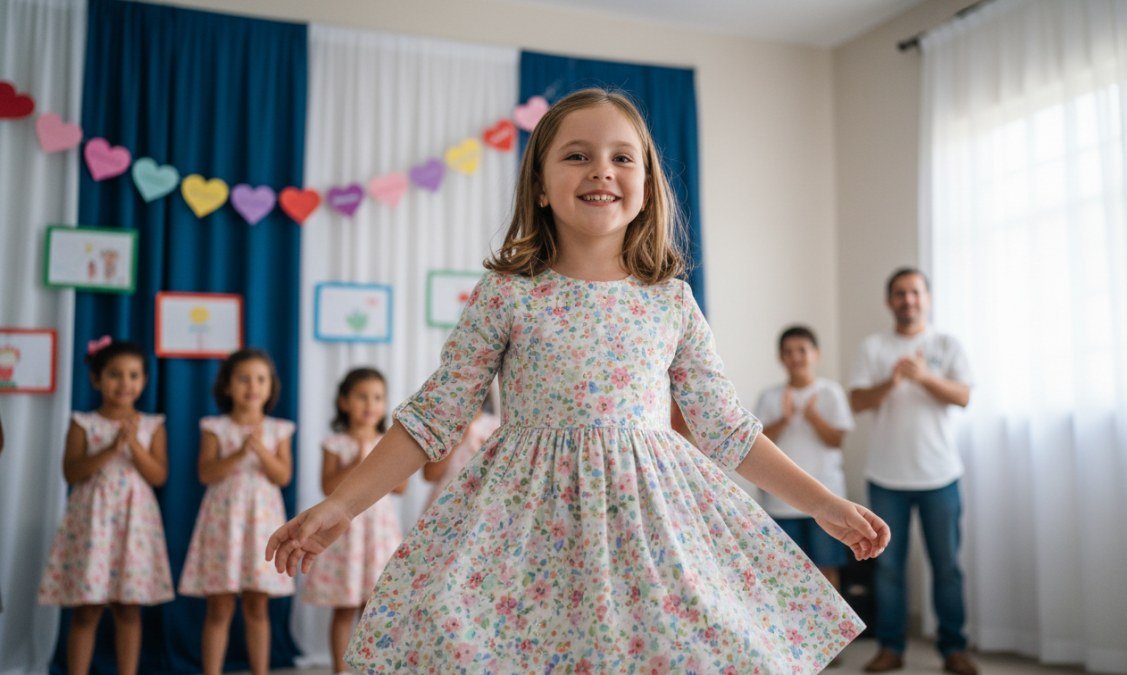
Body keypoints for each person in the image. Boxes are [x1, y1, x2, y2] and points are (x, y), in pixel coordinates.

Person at [267, 88, 890, 673]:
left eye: (623, 157)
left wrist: (825, 506)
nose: (601, 170)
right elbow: (435, 416)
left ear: (645, 186)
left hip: (652, 531)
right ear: (540, 185)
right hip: (526, 529)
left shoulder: (671, 303)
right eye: (577, 156)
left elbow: (727, 429)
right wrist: (342, 504)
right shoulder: (508, 295)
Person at [848, 268, 976, 675]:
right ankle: (891, 648)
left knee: (947, 567)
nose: (908, 300)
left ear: (928, 298)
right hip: (887, 478)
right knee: (887, 567)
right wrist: (893, 381)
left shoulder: (946, 344)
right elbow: (857, 402)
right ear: (890, 301)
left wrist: (924, 377)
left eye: (915, 293)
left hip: (941, 476)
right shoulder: (873, 347)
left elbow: (963, 396)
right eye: (900, 294)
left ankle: (954, 649)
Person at [38, 338, 173, 675]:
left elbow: (158, 475)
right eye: (115, 375)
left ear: (143, 380)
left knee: (128, 609)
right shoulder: (83, 423)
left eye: (133, 375)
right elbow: (71, 472)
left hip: (134, 523)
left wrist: (134, 449)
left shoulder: (152, 425)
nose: (125, 383)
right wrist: (112, 448)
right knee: (87, 609)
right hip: (92, 524)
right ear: (97, 379)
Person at [179, 348, 295, 675]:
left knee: (258, 606)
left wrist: (260, 451)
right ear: (228, 386)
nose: (252, 386)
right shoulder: (215, 427)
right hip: (223, 521)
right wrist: (240, 452)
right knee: (220, 605)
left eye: (260, 379)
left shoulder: (278, 430)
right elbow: (206, 473)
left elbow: (283, 475)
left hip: (262, 522)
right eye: (243, 379)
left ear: (271, 387)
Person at [301, 367, 406, 675]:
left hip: (378, 533)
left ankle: (373, 667)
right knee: (344, 606)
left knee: (375, 607)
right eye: (362, 396)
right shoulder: (335, 444)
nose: (370, 404)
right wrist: (358, 464)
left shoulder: (388, 443)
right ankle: (339, 669)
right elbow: (327, 486)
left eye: (377, 397)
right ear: (344, 402)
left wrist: (376, 464)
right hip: (346, 535)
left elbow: (400, 486)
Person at [755, 326, 854, 590]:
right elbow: (756, 445)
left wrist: (814, 418)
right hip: (780, 503)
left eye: (802, 350)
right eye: (788, 352)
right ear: (781, 358)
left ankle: (838, 631)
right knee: (786, 576)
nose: (796, 357)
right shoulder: (770, 397)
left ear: (816, 354)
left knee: (827, 570)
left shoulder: (831, 392)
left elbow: (836, 440)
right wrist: (784, 420)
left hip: (826, 497)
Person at [420, 381, 500, 511]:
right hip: (443, 507)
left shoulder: (495, 428)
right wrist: (459, 435)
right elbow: (429, 475)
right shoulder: (443, 426)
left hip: (478, 509)